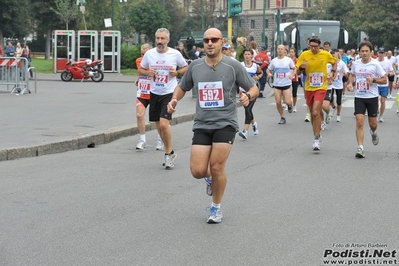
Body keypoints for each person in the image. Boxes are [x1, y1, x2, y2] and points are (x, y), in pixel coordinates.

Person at [167, 28, 259, 224]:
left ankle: (215, 208)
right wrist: (174, 99)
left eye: (214, 40)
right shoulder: (195, 66)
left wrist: (247, 96)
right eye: (207, 40)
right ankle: (210, 180)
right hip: (202, 123)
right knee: (198, 171)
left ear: (221, 42)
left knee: (216, 167)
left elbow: (253, 87)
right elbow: (182, 87)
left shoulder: (233, 66)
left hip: (225, 123)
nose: (210, 43)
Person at [139, 28, 188, 169]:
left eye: (162, 39)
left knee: (163, 124)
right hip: (154, 92)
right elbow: (141, 69)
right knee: (158, 125)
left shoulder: (175, 53)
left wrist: (177, 72)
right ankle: (170, 150)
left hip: (169, 93)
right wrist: (148, 73)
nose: (160, 41)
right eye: (158, 39)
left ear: (168, 40)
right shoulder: (149, 54)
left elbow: (186, 67)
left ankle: (168, 154)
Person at [296, 36, 337, 151]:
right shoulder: (304, 55)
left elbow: (335, 62)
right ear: (309, 45)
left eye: (316, 47)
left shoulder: (325, 54)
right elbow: (298, 72)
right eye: (311, 46)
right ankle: (317, 134)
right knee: (314, 114)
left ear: (320, 46)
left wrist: (332, 72)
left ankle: (316, 139)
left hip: (321, 87)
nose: (313, 49)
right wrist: (301, 67)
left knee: (315, 112)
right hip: (309, 87)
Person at [347, 41, 386, 158]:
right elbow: (352, 74)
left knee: (373, 124)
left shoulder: (375, 65)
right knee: (359, 122)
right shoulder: (356, 63)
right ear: (359, 52)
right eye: (362, 51)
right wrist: (350, 83)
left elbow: (384, 80)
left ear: (371, 52)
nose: (364, 53)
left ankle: (373, 132)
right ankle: (360, 148)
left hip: (372, 97)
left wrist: (373, 80)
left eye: (366, 51)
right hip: (359, 97)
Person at [135, 43, 164, 151]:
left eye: (145, 54)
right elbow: (141, 72)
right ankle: (142, 140)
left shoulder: (157, 60)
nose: (143, 57)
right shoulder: (138, 61)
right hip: (142, 91)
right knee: (139, 115)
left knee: (157, 119)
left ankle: (161, 140)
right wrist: (138, 80)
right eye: (142, 54)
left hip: (155, 92)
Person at [267, 44, 296, 124]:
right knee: (278, 102)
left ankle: (290, 105)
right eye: (278, 49)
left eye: (281, 49)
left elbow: (294, 69)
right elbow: (268, 69)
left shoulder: (288, 60)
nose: (280, 50)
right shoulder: (274, 60)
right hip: (277, 84)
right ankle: (282, 117)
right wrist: (269, 74)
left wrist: (292, 75)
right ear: (277, 50)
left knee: (287, 101)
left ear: (284, 51)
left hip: (286, 83)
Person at [238, 48, 262, 139]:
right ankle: (254, 124)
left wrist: (258, 77)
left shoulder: (255, 66)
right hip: (242, 91)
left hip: (253, 90)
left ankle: (245, 131)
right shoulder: (240, 66)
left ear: (252, 56)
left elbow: (260, 73)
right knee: (248, 109)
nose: (247, 56)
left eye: (248, 54)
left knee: (247, 110)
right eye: (245, 54)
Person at [330, 50, 349, 122]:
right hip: (331, 84)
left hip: (339, 85)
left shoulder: (342, 63)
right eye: (331, 54)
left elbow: (347, 73)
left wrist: (345, 73)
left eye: (333, 54)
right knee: (330, 99)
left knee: (339, 101)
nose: (332, 55)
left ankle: (338, 115)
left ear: (337, 54)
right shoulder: (329, 63)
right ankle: (333, 107)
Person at [376, 48, 393, 123]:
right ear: (377, 53)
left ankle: (381, 115)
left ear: (384, 54)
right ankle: (376, 112)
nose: (381, 54)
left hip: (384, 84)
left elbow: (392, 72)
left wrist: (388, 74)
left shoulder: (387, 62)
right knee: (375, 101)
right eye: (380, 53)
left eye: (382, 53)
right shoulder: (374, 61)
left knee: (383, 101)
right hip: (375, 84)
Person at [289, 47, 299, 112]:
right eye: (290, 52)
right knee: (287, 93)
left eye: (292, 52)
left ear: (295, 53)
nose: (291, 53)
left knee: (294, 93)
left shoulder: (297, 60)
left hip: (295, 78)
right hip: (288, 78)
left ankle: (294, 106)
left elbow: (297, 68)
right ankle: (289, 105)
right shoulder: (287, 60)